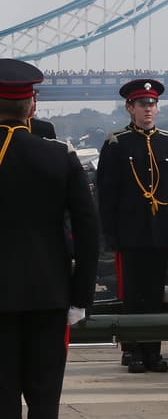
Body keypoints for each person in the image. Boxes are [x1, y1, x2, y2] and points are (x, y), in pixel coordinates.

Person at [0, 59, 99, 419]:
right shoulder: (59, 155)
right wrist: (80, 297)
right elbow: (88, 229)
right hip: (49, 294)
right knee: (44, 399)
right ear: (32, 106)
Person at [96, 77, 168, 373]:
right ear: (130, 107)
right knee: (132, 296)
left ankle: (153, 351)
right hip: (130, 233)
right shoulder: (117, 144)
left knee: (155, 296)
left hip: (158, 233)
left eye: (152, 104)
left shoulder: (167, 142)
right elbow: (107, 194)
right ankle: (133, 351)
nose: (148, 110)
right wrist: (110, 234)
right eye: (142, 105)